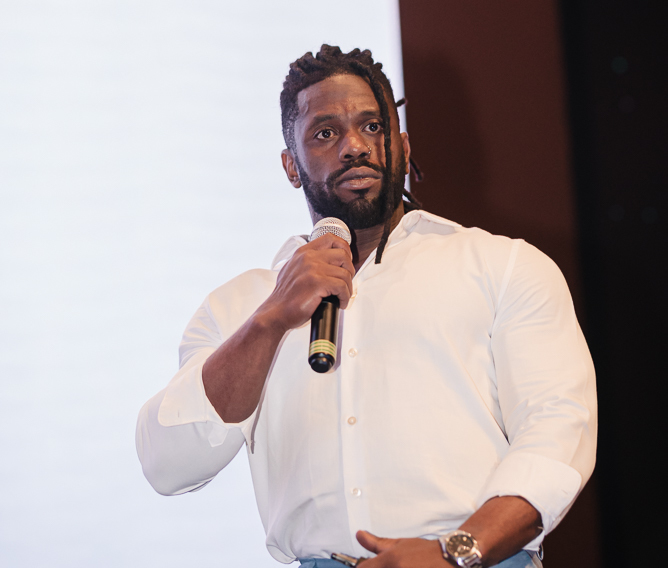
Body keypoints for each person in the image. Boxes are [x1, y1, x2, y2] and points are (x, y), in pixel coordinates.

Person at [136, 45, 596, 568]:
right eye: (325, 133)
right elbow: (167, 465)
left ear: (403, 145)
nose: (355, 147)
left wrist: (455, 553)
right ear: (290, 166)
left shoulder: (502, 266)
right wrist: (269, 320)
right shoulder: (239, 306)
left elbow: (559, 432)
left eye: (373, 127)